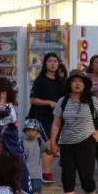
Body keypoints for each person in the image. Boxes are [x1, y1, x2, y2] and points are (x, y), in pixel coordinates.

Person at [48, 70, 98, 194]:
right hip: (66, 143)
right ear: (69, 84)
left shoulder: (92, 100)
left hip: (86, 142)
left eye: (80, 81)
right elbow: (56, 123)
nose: (77, 84)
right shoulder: (62, 101)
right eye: (74, 81)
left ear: (85, 84)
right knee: (68, 175)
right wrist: (53, 141)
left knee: (86, 175)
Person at [28, 52, 67, 183]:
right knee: (50, 143)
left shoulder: (62, 81)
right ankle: (46, 173)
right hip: (41, 116)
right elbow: (32, 100)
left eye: (55, 61)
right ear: (45, 64)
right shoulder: (40, 81)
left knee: (53, 144)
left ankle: (43, 171)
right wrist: (49, 102)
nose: (53, 64)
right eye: (50, 61)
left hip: (57, 118)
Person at [22, 118, 45, 194]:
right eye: (28, 130)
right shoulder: (22, 143)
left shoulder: (40, 141)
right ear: (24, 131)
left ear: (38, 132)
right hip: (25, 174)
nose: (30, 133)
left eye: (33, 130)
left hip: (37, 175)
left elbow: (46, 150)